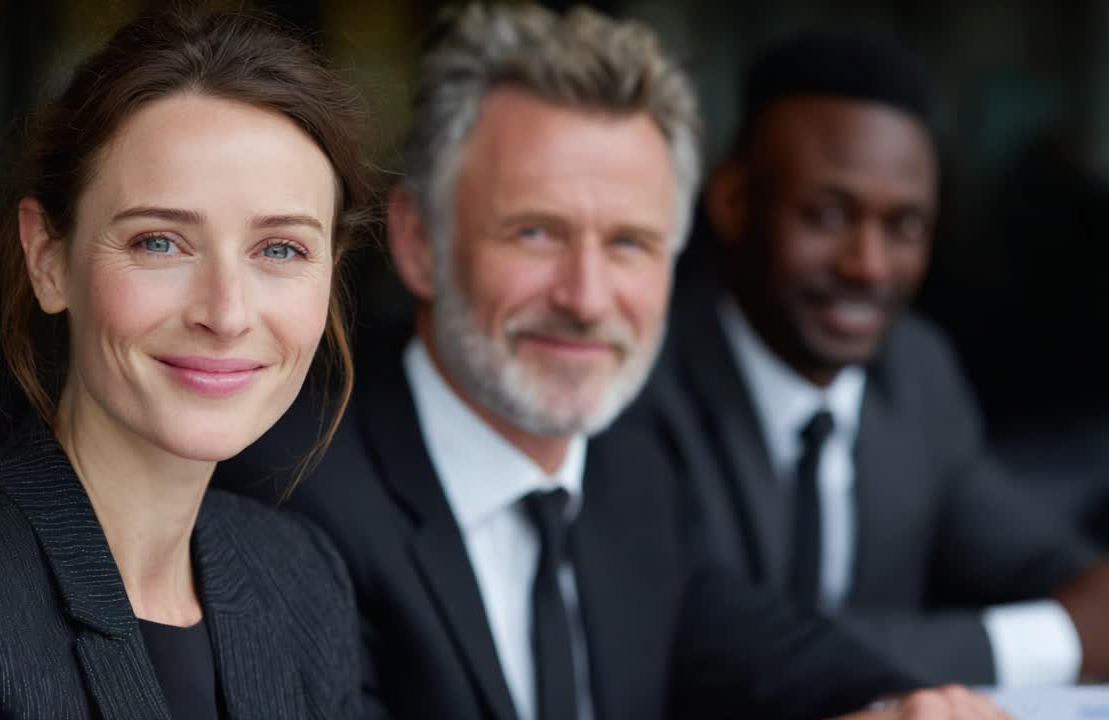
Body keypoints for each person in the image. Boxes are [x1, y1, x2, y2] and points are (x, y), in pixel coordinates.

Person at [218, 5, 1008, 719]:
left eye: (629, 243)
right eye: (536, 232)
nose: (588, 297)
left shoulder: (629, 464)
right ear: (421, 242)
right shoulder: (288, 498)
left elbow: (767, 650)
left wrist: (906, 705)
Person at [0, 9, 373, 718]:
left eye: (280, 250)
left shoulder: (303, 578)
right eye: (160, 242)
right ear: (48, 258)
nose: (228, 312)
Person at [657, 28, 1109, 687]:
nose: (867, 267)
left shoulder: (916, 371)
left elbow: (1050, 564)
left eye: (904, 227)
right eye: (827, 216)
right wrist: (1053, 641)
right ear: (734, 202)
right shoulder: (644, 377)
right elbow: (707, 642)